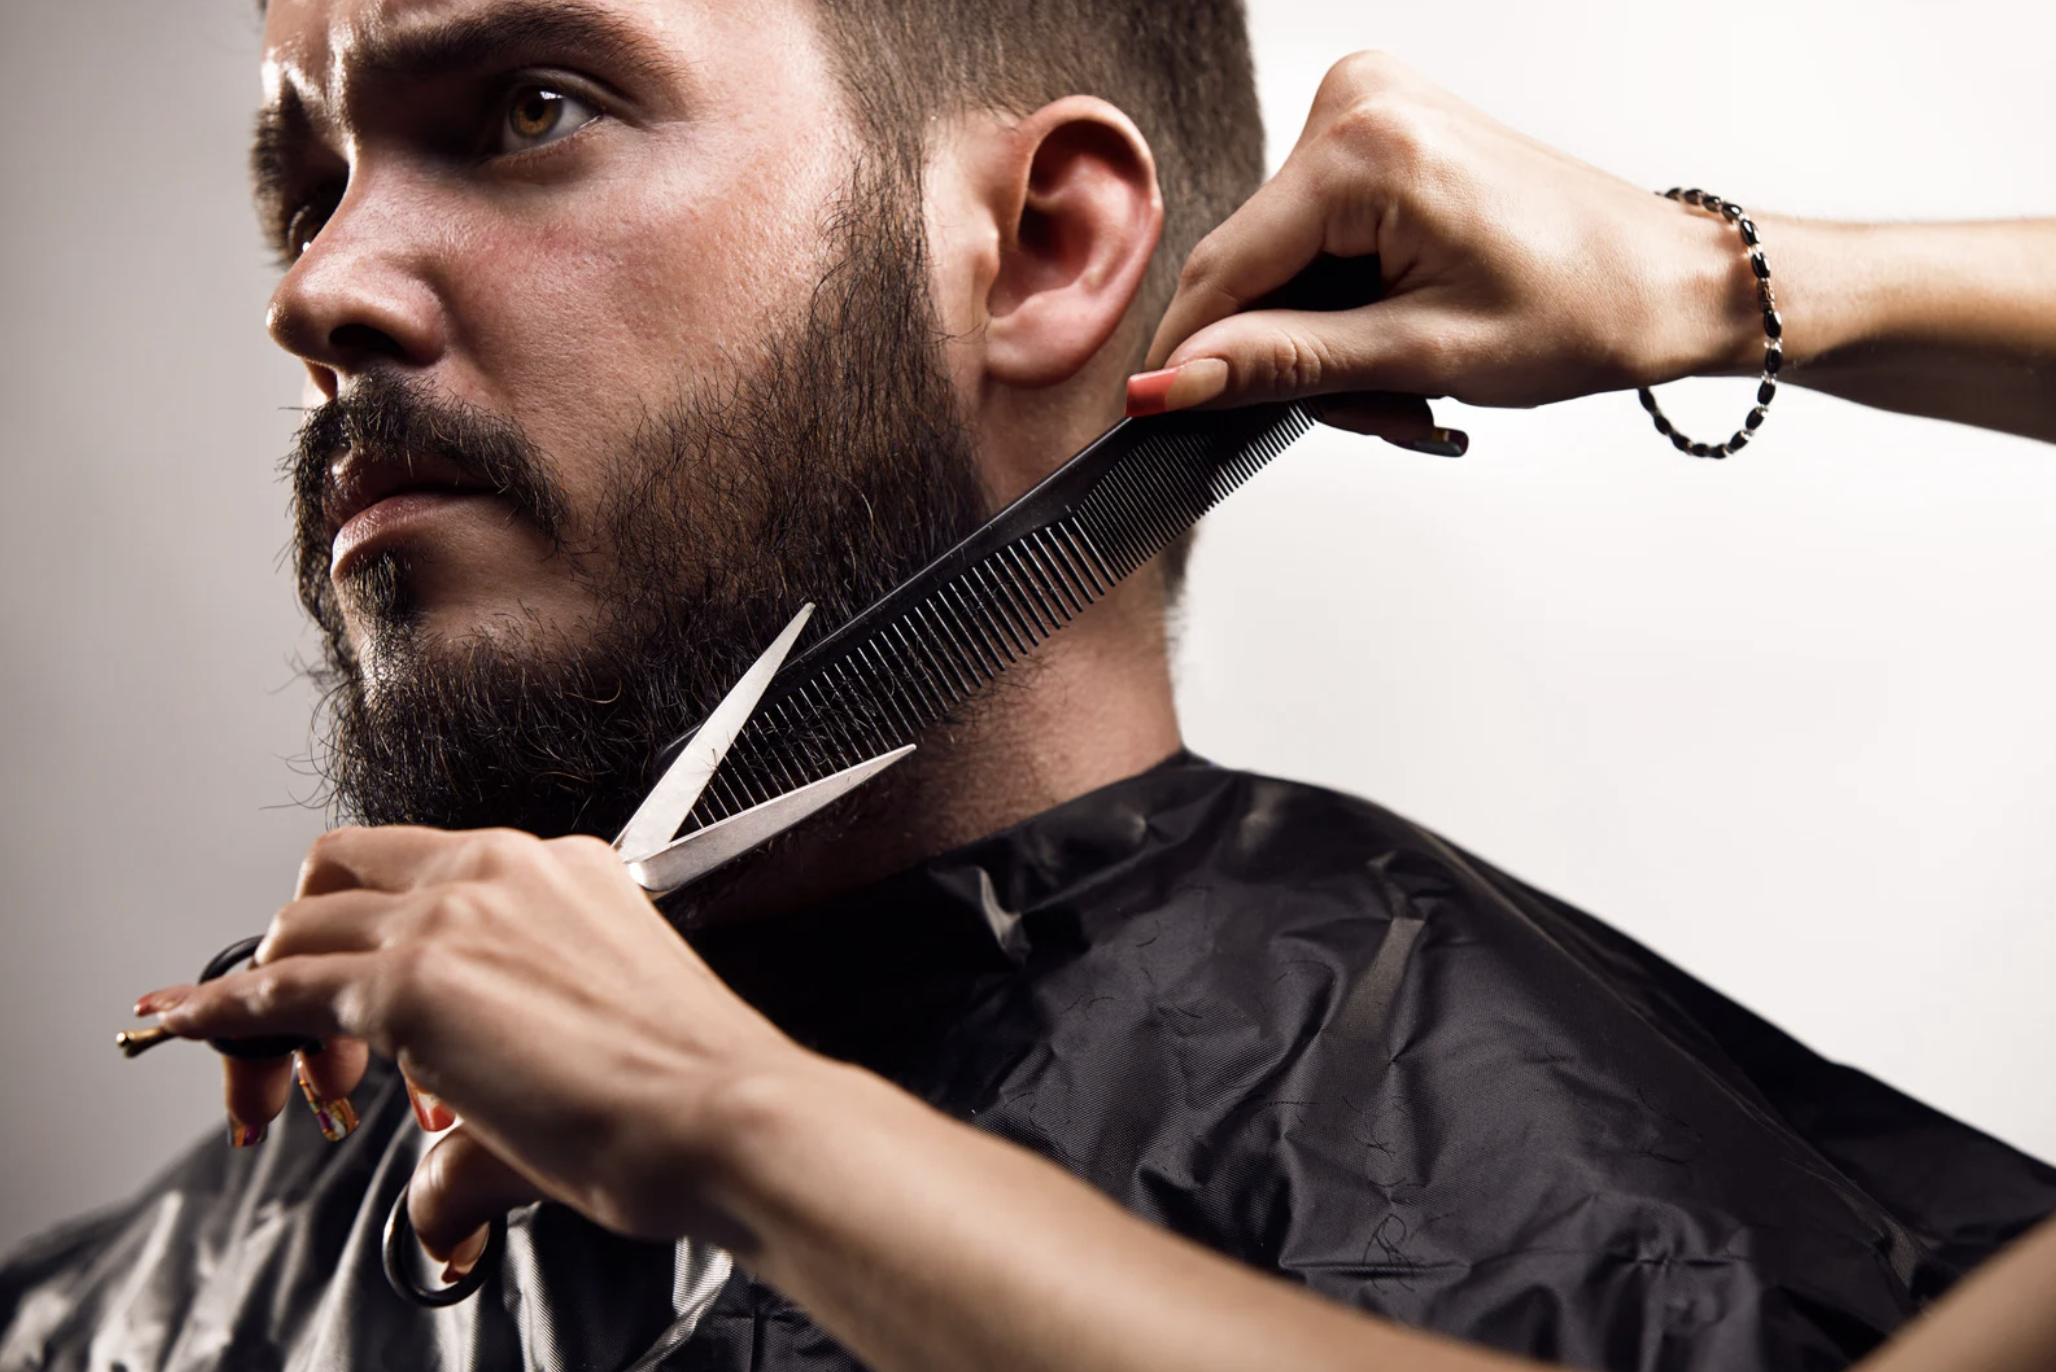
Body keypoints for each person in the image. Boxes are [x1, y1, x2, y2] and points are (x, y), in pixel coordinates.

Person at [1, 6, 2051, 1371]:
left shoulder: (1719, 1274)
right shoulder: (114, 1316)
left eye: (530, 108)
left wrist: (733, 1121)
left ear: (1046, 242)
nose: (315, 289)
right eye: (308, 180)